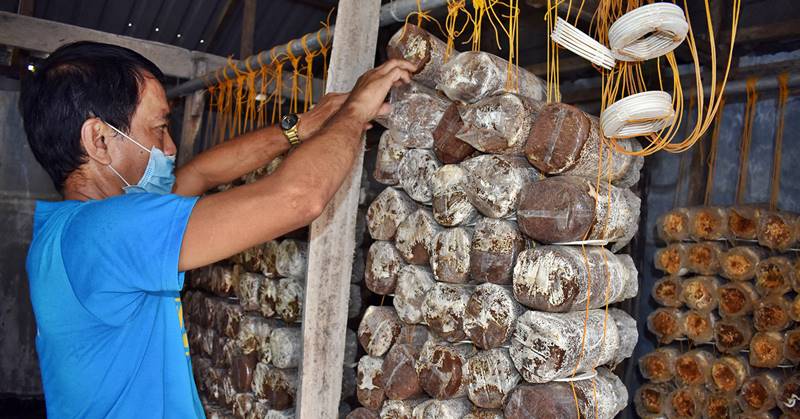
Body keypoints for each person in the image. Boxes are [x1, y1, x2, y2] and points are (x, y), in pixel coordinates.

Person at [20, 41, 414, 418]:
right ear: (100, 140)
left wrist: (298, 130)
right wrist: (357, 110)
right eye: (158, 129)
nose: (170, 147)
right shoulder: (109, 231)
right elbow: (297, 199)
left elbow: (200, 173)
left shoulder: (66, 231)